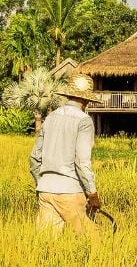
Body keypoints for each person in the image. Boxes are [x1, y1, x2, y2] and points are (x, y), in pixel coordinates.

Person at [30, 74, 103, 235]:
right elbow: (81, 161)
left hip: (45, 191)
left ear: (69, 95)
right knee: (94, 239)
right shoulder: (84, 121)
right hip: (69, 190)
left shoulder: (50, 118)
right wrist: (92, 193)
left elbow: (35, 157)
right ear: (86, 101)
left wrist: (41, 183)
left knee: (46, 244)